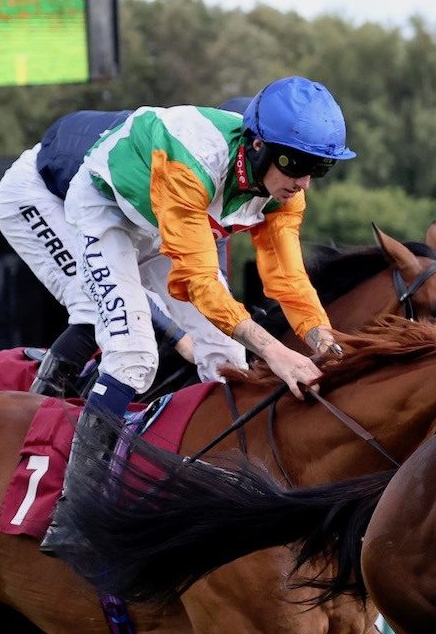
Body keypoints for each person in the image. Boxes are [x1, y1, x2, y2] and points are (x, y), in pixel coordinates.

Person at [38, 76, 356, 562]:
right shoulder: (194, 156)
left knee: (228, 357)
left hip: (163, 224)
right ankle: (74, 513)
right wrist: (275, 350)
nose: (303, 180)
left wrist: (326, 342)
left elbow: (288, 278)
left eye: (321, 168)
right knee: (133, 356)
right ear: (256, 145)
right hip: (105, 212)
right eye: (295, 163)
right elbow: (199, 282)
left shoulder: (285, 191)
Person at [0, 98, 253, 397]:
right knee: (99, 307)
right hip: (40, 193)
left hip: (113, 211)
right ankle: (34, 417)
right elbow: (116, 283)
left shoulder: (227, 185)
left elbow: (207, 277)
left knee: (218, 334)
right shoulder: (190, 163)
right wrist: (177, 336)